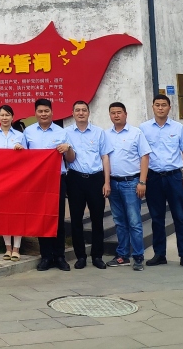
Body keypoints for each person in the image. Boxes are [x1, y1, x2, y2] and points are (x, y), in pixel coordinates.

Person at [140, 94, 183, 269]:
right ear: (153, 107)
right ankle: (159, 254)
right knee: (157, 218)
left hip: (174, 177)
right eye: (157, 105)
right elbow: (141, 154)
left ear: (169, 108)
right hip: (153, 178)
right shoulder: (144, 128)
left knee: (180, 216)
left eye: (164, 105)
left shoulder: (178, 128)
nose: (160, 108)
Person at [23, 98, 71, 272]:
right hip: (37, 181)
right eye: (40, 111)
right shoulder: (28, 132)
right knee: (41, 218)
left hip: (57, 179)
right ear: (35, 113)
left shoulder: (62, 132)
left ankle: (60, 256)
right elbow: (23, 158)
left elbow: (71, 159)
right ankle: (45, 256)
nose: (43, 114)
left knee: (58, 217)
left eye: (46, 111)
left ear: (52, 112)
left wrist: (68, 149)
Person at [65, 100, 113, 270]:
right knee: (76, 219)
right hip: (75, 179)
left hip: (95, 179)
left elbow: (105, 157)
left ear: (88, 113)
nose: (81, 113)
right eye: (77, 110)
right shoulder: (66, 133)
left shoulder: (99, 132)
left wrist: (106, 182)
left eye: (84, 110)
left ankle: (97, 256)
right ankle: (80, 256)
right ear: (73, 113)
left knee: (97, 219)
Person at [105, 102, 151, 271]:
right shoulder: (105, 135)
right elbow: (104, 158)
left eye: (119, 112)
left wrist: (142, 182)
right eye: (113, 113)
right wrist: (106, 182)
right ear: (110, 115)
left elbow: (145, 157)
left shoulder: (136, 133)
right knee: (119, 221)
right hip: (113, 183)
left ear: (125, 114)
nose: (116, 115)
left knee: (134, 222)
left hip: (131, 183)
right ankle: (123, 255)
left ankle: (138, 257)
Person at [0, 104, 25, 260]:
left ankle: (17, 248)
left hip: (17, 179)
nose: (5, 118)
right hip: (0, 180)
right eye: (2, 115)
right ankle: (7, 248)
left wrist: (21, 150)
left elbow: (28, 158)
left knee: (17, 213)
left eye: (7, 115)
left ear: (12, 117)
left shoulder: (20, 136)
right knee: (3, 213)